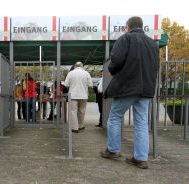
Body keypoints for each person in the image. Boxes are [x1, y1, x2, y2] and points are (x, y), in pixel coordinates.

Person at [100, 16, 159, 169]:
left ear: (127, 27)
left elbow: (116, 59)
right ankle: (140, 158)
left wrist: (112, 70)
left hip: (128, 86)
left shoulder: (126, 38)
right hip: (146, 88)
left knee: (114, 116)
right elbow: (156, 66)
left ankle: (113, 150)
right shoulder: (152, 43)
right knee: (141, 122)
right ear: (142, 27)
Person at [64, 62, 93, 133]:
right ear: (82, 66)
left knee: (73, 111)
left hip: (73, 95)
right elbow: (90, 85)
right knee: (82, 110)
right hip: (83, 95)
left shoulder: (70, 73)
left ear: (74, 66)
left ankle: (74, 128)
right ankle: (80, 126)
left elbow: (66, 84)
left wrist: (71, 87)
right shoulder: (86, 73)